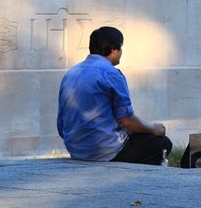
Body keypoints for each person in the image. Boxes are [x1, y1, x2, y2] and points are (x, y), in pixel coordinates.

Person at [57, 26, 171, 164]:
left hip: (76, 150)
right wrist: (153, 129)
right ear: (113, 50)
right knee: (162, 143)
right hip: (105, 150)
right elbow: (127, 121)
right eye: (121, 48)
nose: (121, 52)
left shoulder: (71, 73)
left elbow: (61, 123)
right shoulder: (111, 74)